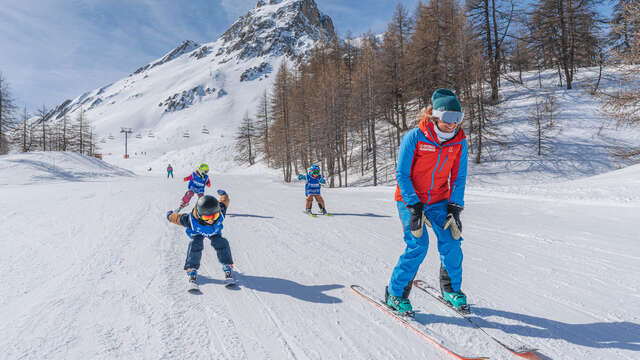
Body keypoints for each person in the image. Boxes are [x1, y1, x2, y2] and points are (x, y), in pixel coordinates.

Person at [386, 88, 468, 315]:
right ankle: (395, 293)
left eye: (458, 119)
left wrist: (455, 206)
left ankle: (451, 289)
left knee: (452, 241)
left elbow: (459, 177)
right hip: (410, 200)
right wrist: (413, 205)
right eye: (448, 118)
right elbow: (402, 174)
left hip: (440, 200)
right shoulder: (415, 137)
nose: (453, 124)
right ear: (435, 116)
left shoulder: (459, 142)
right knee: (418, 245)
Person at [166, 190, 234, 289]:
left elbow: (224, 202)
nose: (211, 220)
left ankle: (227, 265)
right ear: (199, 215)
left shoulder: (220, 213)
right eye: (207, 217)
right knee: (195, 244)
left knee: (221, 243)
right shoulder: (190, 220)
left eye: (214, 216)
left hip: (214, 232)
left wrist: (224, 195)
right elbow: (177, 219)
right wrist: (169, 216)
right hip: (197, 232)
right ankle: (192, 269)